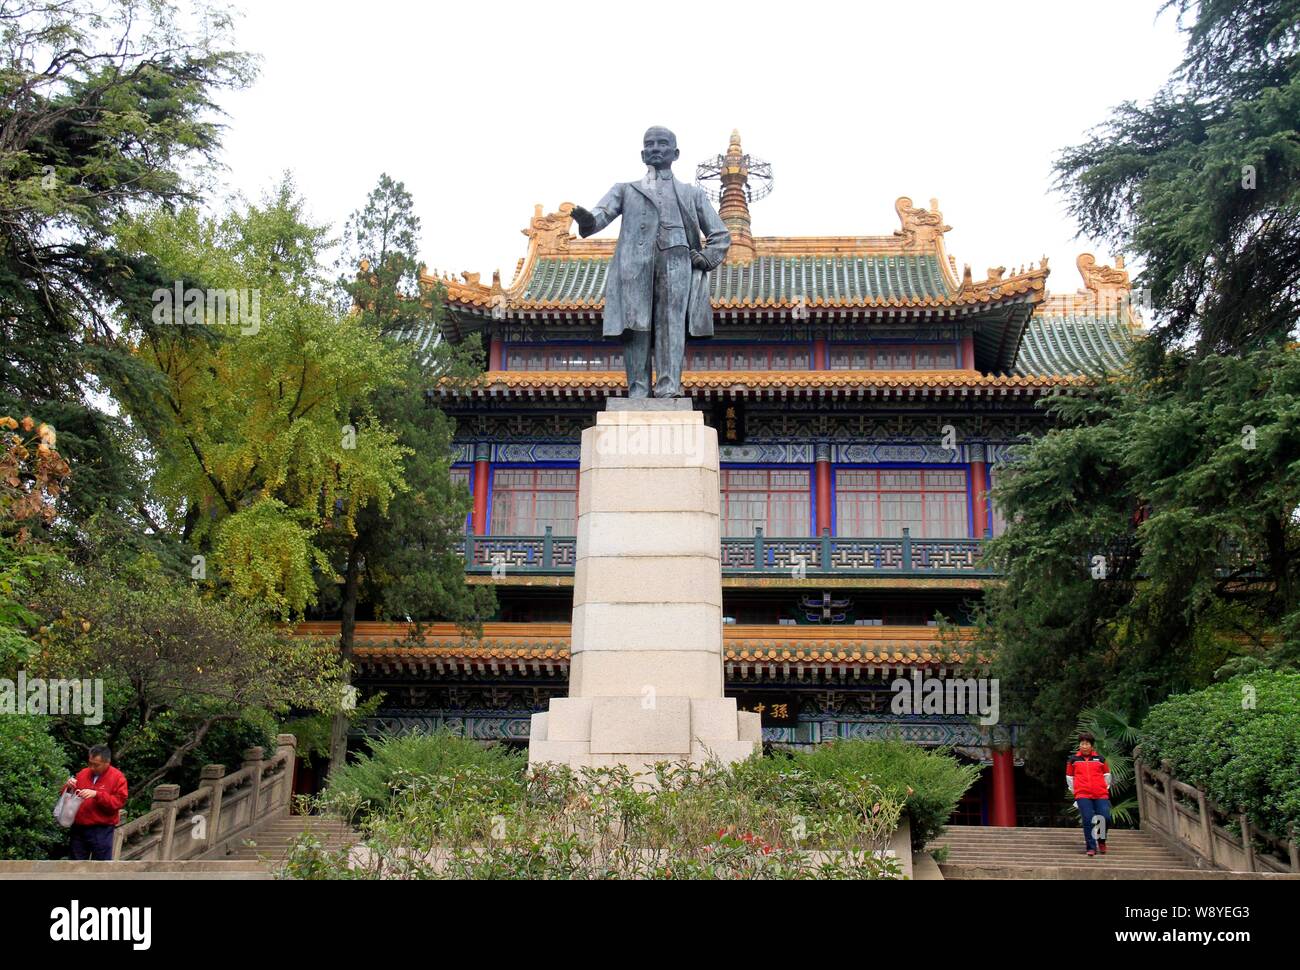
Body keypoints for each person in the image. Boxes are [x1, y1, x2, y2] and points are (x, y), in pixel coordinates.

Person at [63, 744, 128, 861]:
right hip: (79, 827)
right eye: (90, 763)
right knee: (75, 865)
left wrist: (97, 795)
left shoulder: (118, 778)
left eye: (96, 765)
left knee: (100, 865)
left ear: (107, 763)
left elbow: (118, 802)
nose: (92, 767)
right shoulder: (83, 773)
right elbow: (68, 795)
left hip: (101, 828)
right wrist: (68, 787)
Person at [1066, 732, 1112, 857]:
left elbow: (1107, 776)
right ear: (1079, 745)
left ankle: (1101, 840)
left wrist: (1103, 788)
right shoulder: (1073, 760)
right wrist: (1075, 791)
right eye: (1082, 744)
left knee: (1105, 818)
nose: (1084, 746)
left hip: (1100, 794)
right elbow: (1070, 777)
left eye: (1087, 744)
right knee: (1087, 819)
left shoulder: (1100, 759)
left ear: (1092, 746)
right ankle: (1091, 847)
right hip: (1082, 794)